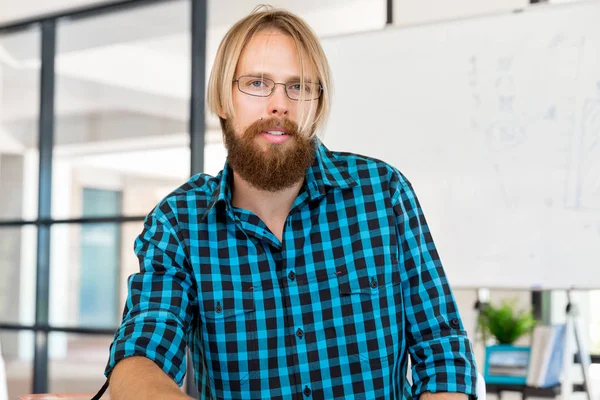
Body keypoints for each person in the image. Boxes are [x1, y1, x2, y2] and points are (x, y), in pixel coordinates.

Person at [103, 5, 478, 400]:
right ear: (222, 101)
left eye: (298, 87)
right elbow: (141, 355)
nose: (280, 104)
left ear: (315, 104)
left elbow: (443, 352)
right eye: (257, 84)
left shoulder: (384, 193)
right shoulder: (179, 223)